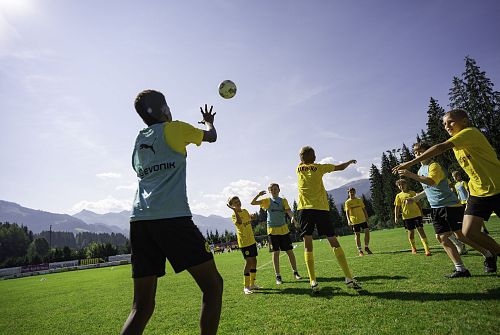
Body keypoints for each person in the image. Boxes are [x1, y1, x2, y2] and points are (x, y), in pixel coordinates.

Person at [121, 90, 223, 335]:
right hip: (172, 218)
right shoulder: (175, 128)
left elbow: (138, 170)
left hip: (140, 221)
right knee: (213, 286)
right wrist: (209, 121)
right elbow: (212, 137)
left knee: (141, 306)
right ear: (165, 109)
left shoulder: (138, 141)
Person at [393, 109, 499, 273]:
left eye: (450, 121)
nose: (447, 126)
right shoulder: (457, 146)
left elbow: (440, 147)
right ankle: (489, 255)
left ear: (464, 121)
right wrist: (416, 198)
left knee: (459, 234)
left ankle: (486, 255)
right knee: (468, 232)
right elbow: (428, 188)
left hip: (497, 187)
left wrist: (409, 164)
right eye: (444, 124)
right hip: (478, 192)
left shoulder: (470, 132)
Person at [296, 146, 361, 293]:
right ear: (313, 157)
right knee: (332, 240)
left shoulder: (298, 169)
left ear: (301, 158)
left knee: (308, 243)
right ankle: (349, 277)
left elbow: (302, 159)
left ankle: (313, 281)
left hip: (305, 209)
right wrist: (349, 162)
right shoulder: (319, 167)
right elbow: (339, 167)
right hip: (320, 209)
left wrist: (304, 157)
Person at [251, 183, 302, 285]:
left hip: (283, 229)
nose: (274, 191)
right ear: (270, 191)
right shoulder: (267, 201)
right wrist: (258, 195)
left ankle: (295, 272)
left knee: (289, 251)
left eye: (276, 189)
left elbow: (288, 211)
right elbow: (253, 203)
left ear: (279, 190)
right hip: (272, 230)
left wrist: (292, 218)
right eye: (272, 189)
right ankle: (278, 276)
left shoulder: (283, 200)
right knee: (276, 253)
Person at [227, 196, 260, 294]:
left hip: (252, 241)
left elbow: (249, 218)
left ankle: (252, 284)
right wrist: (235, 211)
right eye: (235, 203)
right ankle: (246, 287)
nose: (238, 203)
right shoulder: (234, 215)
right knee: (248, 262)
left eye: (238, 201)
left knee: (254, 261)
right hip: (244, 242)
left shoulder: (245, 211)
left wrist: (253, 217)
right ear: (232, 206)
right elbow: (239, 222)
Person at [393, 179, 431, 256]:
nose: (401, 186)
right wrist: (396, 217)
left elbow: (418, 203)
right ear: (398, 187)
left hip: (417, 215)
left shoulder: (412, 193)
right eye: (399, 185)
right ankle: (413, 248)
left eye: (403, 184)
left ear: (406, 184)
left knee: (421, 230)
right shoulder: (398, 196)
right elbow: (397, 207)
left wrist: (421, 212)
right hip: (407, 217)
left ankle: (427, 249)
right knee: (411, 233)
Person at [452, 170, 489, 235]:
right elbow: (458, 194)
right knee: (464, 216)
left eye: (455, 176)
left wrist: (469, 199)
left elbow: (468, 191)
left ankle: (484, 228)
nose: (455, 178)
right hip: (462, 202)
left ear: (458, 176)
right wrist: (458, 201)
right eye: (453, 177)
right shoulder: (456, 185)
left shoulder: (463, 182)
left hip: (467, 201)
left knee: (475, 215)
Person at [344, 188, 373, 256]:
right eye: (350, 192)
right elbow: (347, 212)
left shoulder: (359, 200)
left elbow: (364, 209)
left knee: (367, 232)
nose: (352, 193)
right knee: (357, 235)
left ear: (355, 192)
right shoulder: (347, 202)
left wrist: (366, 216)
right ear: (348, 193)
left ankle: (366, 247)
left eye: (353, 192)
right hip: (354, 221)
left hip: (362, 219)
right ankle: (360, 250)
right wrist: (348, 220)